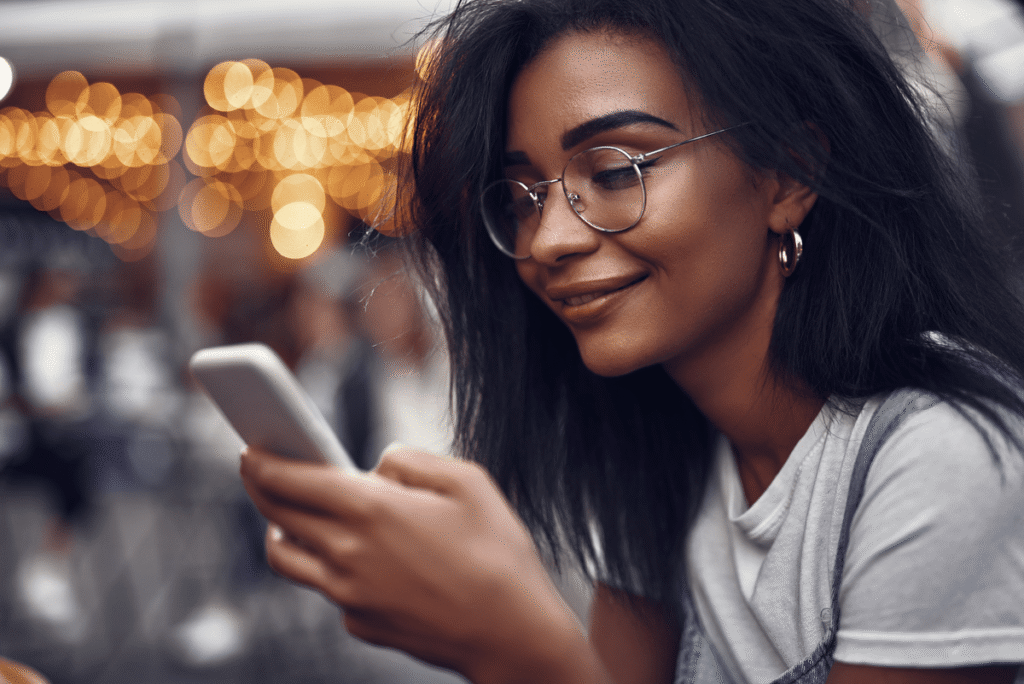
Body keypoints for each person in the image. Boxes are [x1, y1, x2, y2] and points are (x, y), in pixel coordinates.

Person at [238, 0, 1024, 682]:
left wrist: (515, 649)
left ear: (788, 174)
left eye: (615, 170)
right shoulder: (658, 447)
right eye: (523, 194)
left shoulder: (935, 455)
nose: (546, 239)